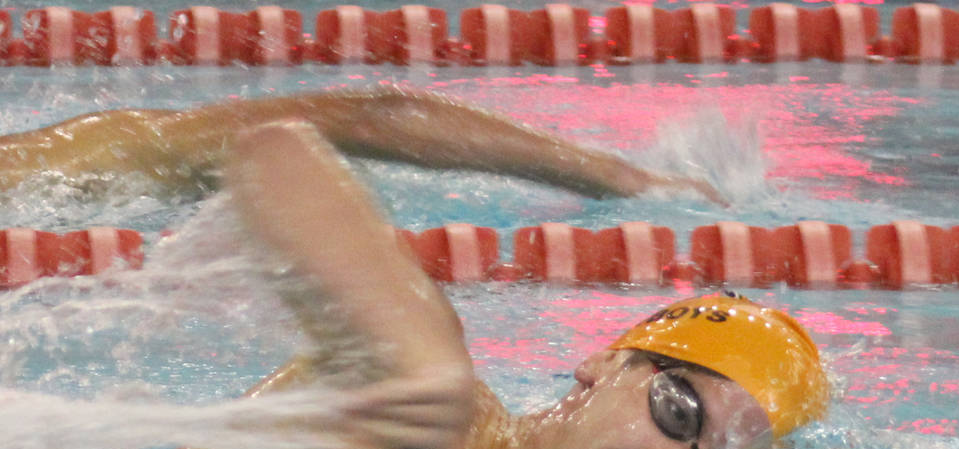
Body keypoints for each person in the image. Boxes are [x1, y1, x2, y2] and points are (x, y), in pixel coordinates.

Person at [79, 119, 829, 449]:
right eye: (678, 410)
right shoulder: (442, 411)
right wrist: (420, 367)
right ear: (604, 364)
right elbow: (274, 148)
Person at [0, 87, 726, 204]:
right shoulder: (66, 158)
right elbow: (371, 116)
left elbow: (370, 117)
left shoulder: (68, 159)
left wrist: (609, 174)